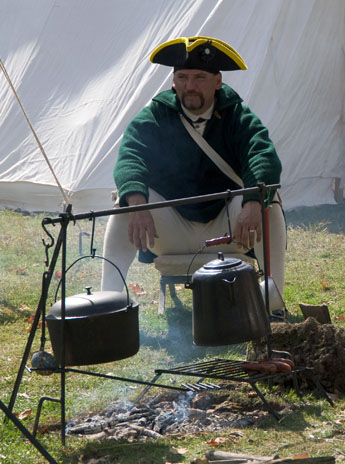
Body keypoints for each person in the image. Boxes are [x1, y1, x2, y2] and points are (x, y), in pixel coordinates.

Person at [100, 36, 287, 318]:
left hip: (227, 230)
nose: (190, 86)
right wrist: (137, 203)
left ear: (218, 81)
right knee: (126, 203)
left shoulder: (237, 116)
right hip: (170, 231)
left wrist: (251, 202)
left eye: (200, 77)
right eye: (183, 77)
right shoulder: (155, 116)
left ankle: (272, 299)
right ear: (173, 81)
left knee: (267, 202)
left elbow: (261, 156)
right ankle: (110, 302)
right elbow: (130, 156)